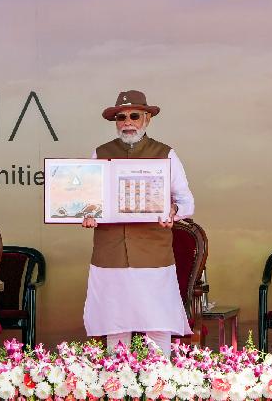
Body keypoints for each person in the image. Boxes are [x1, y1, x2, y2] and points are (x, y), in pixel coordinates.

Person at [81, 90, 194, 357]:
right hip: (111, 253)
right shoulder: (101, 153)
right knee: (114, 322)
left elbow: (187, 202)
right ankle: (118, 384)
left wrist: (173, 210)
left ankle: (159, 385)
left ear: (147, 119)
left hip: (152, 253)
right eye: (121, 117)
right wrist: (85, 213)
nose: (127, 122)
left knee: (158, 322)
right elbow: (88, 200)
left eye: (134, 116)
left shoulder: (165, 153)